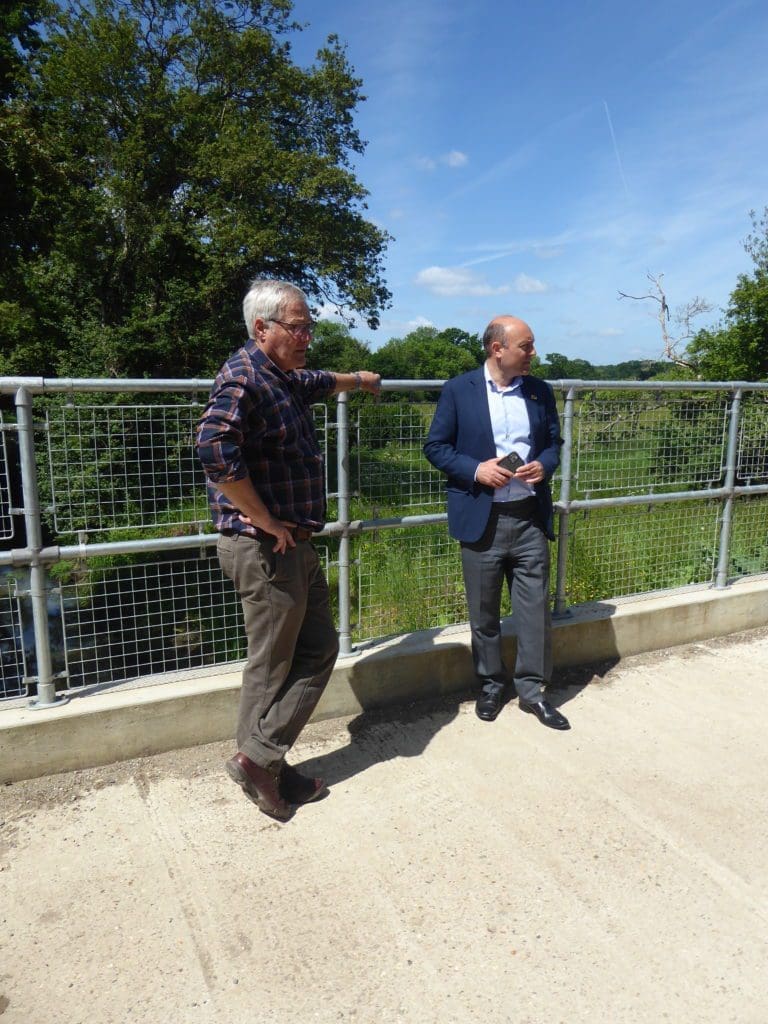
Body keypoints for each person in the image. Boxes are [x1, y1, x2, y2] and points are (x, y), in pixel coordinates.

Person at [196, 279, 380, 820]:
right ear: (262, 328)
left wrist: (360, 380)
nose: (307, 336)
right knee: (272, 666)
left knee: (319, 646)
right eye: (297, 327)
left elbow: (318, 379)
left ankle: (263, 759)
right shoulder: (244, 378)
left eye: (308, 326)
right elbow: (213, 448)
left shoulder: (282, 375)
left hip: (293, 543)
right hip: (264, 546)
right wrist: (264, 518)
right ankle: (261, 764)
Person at [424, 315, 569, 729]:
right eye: (526, 346)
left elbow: (553, 444)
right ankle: (490, 686)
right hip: (481, 518)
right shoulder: (458, 390)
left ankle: (532, 693)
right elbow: (435, 446)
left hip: (528, 519)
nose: (533, 353)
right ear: (497, 349)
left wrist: (543, 464)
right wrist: (475, 470)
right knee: (484, 613)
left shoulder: (540, 392)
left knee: (534, 611)